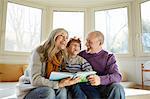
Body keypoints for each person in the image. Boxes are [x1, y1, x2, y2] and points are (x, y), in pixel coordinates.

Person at [16, 28, 80, 99]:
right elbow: (35, 80)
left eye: (67, 38)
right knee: (49, 91)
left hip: (49, 86)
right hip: (30, 89)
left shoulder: (61, 56)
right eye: (62, 35)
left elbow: (60, 75)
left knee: (62, 90)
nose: (65, 39)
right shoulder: (39, 51)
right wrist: (58, 84)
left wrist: (72, 78)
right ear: (53, 36)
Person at [79, 31, 125, 99]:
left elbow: (117, 76)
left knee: (117, 87)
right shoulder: (81, 55)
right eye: (86, 41)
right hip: (86, 87)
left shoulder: (109, 56)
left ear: (100, 43)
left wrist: (100, 80)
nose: (86, 44)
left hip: (104, 87)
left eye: (90, 42)